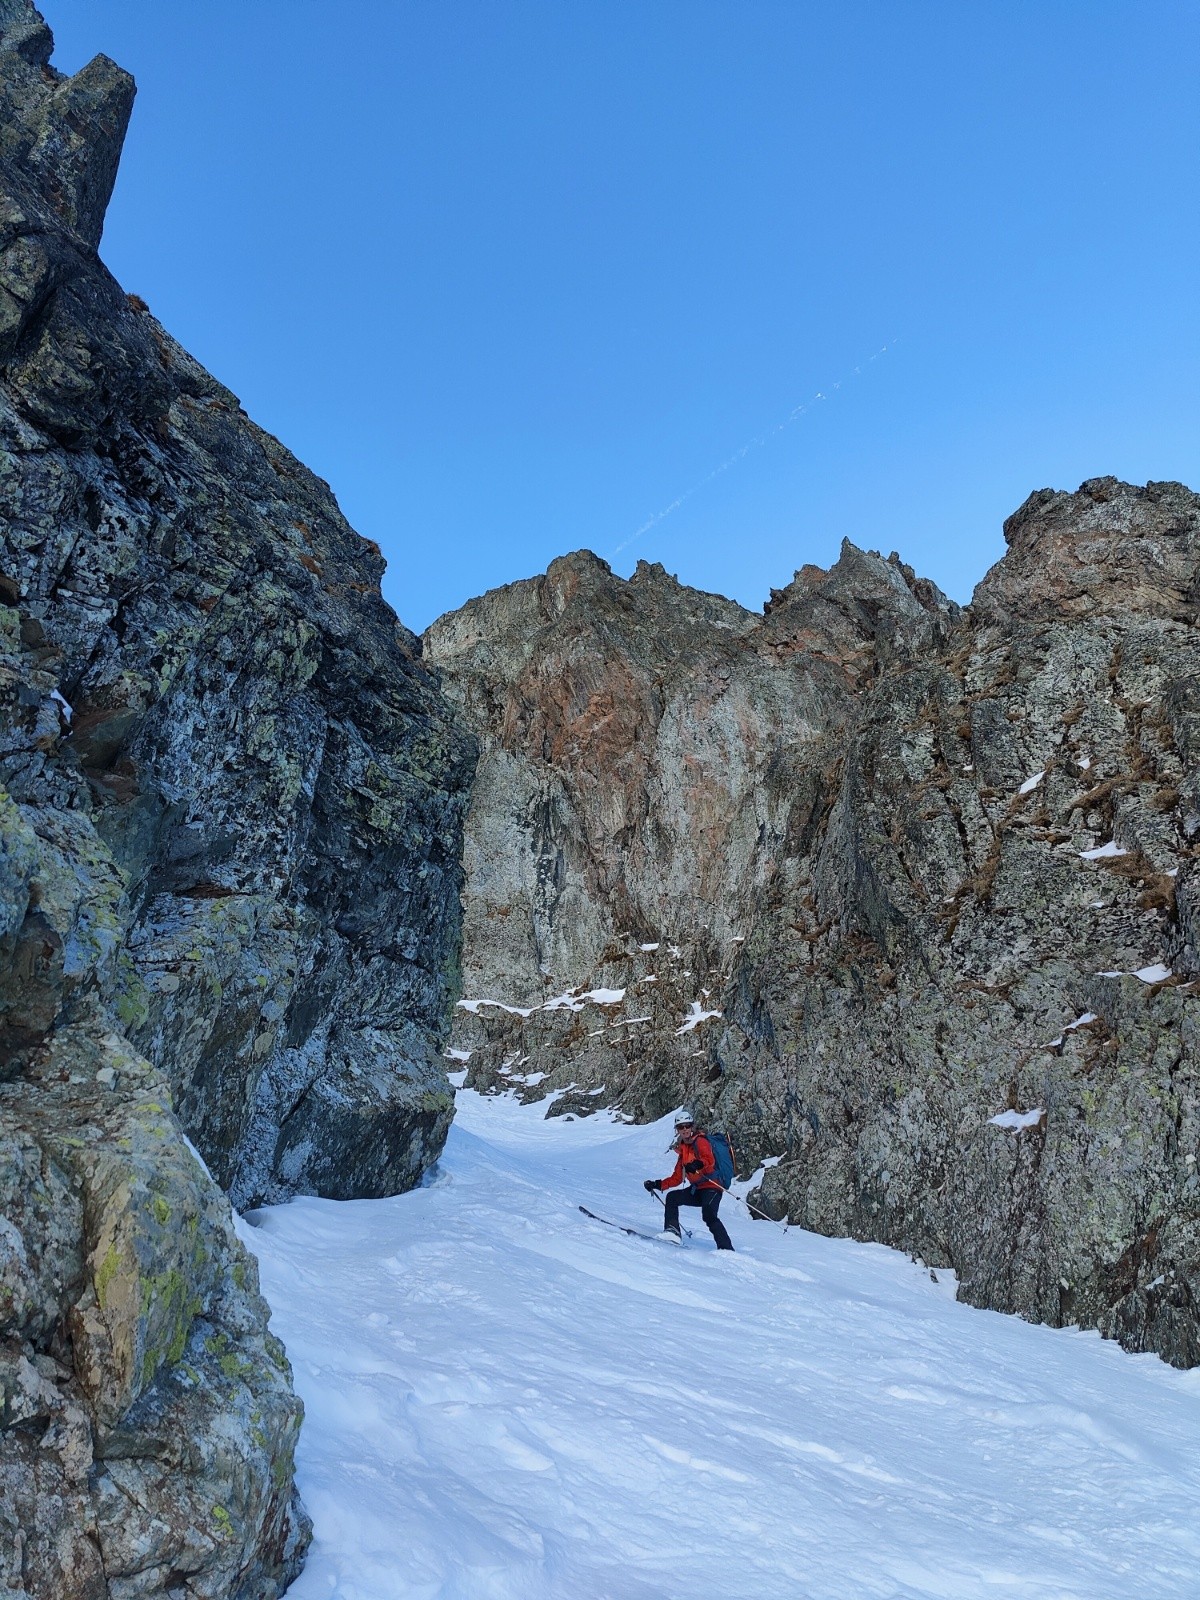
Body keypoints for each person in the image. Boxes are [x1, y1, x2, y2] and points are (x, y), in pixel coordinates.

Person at [644, 1110, 734, 1250]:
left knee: (709, 1215)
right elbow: (677, 1178)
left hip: (712, 1187)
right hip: (697, 1189)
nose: (685, 1129)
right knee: (672, 1197)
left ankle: (726, 1249)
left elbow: (709, 1160)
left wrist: (698, 1164)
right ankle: (672, 1232)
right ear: (677, 1130)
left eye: (687, 1126)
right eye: (681, 1127)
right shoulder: (684, 1150)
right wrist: (658, 1184)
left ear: (692, 1126)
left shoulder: (700, 1141)